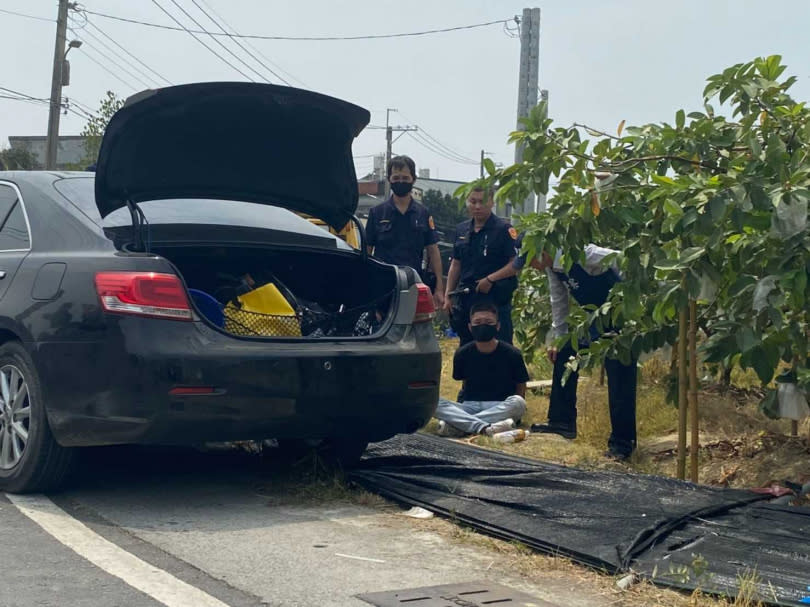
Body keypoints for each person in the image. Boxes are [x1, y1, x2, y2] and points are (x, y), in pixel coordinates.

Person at [490, 234, 638, 460]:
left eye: (531, 261)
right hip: (594, 319)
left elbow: (625, 259)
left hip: (622, 319)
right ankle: (562, 421)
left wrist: (631, 304)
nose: (532, 267)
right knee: (564, 349)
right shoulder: (553, 269)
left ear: (542, 251)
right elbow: (559, 302)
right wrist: (558, 340)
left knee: (620, 376)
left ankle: (623, 443)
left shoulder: (583, 254)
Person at [435, 301, 529, 437]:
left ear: (497, 326)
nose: (483, 326)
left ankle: (459, 426)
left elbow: (521, 385)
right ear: (470, 327)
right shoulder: (462, 353)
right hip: (469, 406)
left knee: (518, 403)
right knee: (434, 402)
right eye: (477, 322)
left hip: (500, 405)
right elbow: (464, 382)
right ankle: (485, 427)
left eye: (488, 322)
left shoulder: (512, 353)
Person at [365, 155, 444, 308]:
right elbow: (367, 251)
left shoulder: (423, 213)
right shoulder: (377, 213)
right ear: (389, 179)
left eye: (405, 177)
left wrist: (439, 288)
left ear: (414, 179)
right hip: (383, 285)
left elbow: (433, 251)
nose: (400, 181)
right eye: (396, 177)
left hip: (413, 284)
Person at [442, 187, 517, 345]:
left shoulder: (504, 229)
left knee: (500, 348)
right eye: (473, 201)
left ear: (492, 202)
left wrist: (490, 279)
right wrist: (448, 295)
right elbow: (456, 264)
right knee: (468, 348)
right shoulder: (461, 229)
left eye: (482, 202)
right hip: (467, 299)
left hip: (495, 299)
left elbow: (515, 264)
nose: (477, 206)